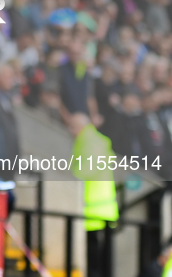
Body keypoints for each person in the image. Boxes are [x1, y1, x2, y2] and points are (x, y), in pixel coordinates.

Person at [68, 113, 119, 277]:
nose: (70, 131)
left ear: (79, 127)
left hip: (93, 209)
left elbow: (84, 171)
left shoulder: (88, 141)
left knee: (94, 259)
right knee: (102, 257)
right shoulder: (97, 140)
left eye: (72, 126)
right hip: (103, 208)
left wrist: (69, 175)